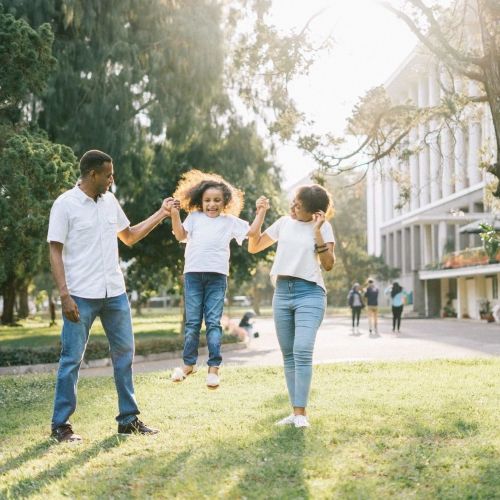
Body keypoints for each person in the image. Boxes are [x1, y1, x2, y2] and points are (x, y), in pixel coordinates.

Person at [47, 149, 171, 443]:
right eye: (108, 174)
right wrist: (64, 295)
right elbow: (55, 249)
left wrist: (162, 213)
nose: (112, 180)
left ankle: (128, 420)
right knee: (71, 359)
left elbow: (129, 236)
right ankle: (60, 425)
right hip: (80, 295)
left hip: (114, 292)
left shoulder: (110, 201)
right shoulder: (65, 205)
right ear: (93, 174)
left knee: (125, 355)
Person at [168, 170, 268, 389]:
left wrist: (261, 212)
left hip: (217, 277)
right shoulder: (194, 218)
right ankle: (188, 365)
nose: (211, 204)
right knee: (193, 323)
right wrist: (174, 214)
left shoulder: (229, 221)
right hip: (193, 275)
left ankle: (213, 370)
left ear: (225, 202)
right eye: (207, 200)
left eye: (216, 200)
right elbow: (180, 235)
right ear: (200, 201)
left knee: (213, 322)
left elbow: (252, 232)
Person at [248, 184, 335, 428]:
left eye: (299, 205)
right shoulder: (284, 223)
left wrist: (317, 231)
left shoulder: (324, 226)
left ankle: (301, 415)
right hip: (283, 293)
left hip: (310, 293)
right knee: (289, 355)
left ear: (314, 212)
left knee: (302, 350)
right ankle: (295, 413)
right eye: (294, 202)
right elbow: (253, 246)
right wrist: (261, 213)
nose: (293, 207)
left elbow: (328, 264)